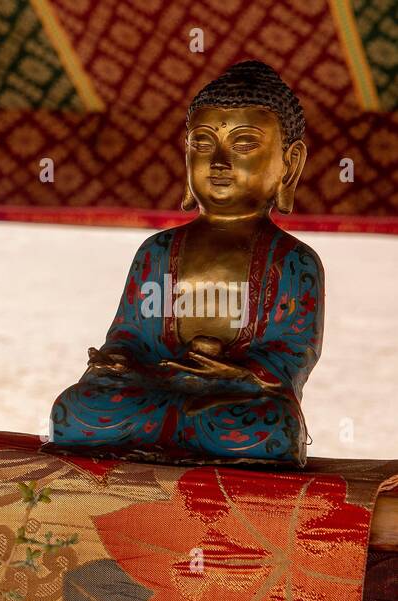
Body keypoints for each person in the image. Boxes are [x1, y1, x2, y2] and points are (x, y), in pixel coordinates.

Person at [47, 60, 323, 467]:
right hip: (154, 389)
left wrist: (236, 371)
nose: (219, 163)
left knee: (271, 429)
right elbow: (130, 333)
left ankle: (179, 431)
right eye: (203, 144)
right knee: (77, 409)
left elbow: (294, 353)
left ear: (291, 163)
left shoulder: (293, 261)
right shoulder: (157, 252)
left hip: (235, 399)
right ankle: (172, 429)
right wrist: (118, 357)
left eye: (244, 145)